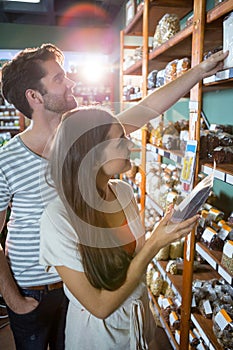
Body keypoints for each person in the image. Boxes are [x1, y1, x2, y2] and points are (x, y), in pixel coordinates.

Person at [0, 43, 228, 350]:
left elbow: (151, 106)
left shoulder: (89, 133)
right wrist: (14, 299)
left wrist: (199, 71)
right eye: (58, 78)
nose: (70, 82)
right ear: (34, 96)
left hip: (92, 280)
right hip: (35, 288)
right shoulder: (8, 159)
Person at [39, 106, 199, 349]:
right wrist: (156, 243)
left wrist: (164, 229)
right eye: (120, 140)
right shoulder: (58, 218)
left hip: (138, 325)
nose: (130, 144)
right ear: (90, 157)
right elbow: (100, 306)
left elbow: (132, 260)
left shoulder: (123, 193)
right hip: (99, 338)